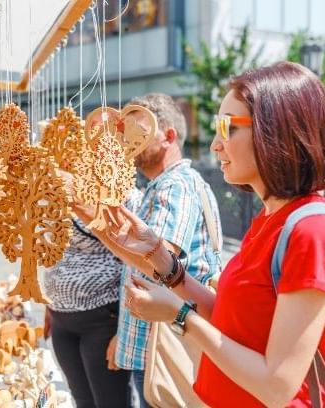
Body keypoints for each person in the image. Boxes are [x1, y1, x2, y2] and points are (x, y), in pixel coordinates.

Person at [103, 62, 325, 407]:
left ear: (275, 130)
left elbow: (277, 386)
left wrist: (180, 317)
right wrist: (163, 259)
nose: (215, 145)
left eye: (227, 128)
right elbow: (233, 318)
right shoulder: (271, 218)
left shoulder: (309, 229)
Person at [73, 93, 222, 407]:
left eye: (138, 131)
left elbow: (157, 266)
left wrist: (93, 218)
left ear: (168, 136)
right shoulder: (168, 184)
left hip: (164, 345)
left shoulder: (175, 185)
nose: (128, 141)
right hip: (154, 341)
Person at [43, 210, 139, 408]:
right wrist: (49, 301)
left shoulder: (120, 194)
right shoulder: (58, 189)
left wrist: (125, 329)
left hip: (102, 319)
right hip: (60, 318)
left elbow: (135, 265)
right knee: (82, 399)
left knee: (110, 403)